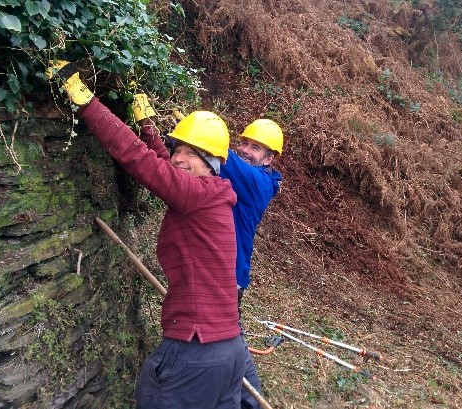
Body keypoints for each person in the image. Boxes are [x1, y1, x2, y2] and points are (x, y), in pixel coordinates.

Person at [47, 61, 245, 408]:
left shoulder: (197, 195)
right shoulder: (210, 194)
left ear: (212, 163)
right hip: (229, 352)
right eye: (177, 149)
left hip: (195, 347)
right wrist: (148, 123)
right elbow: (163, 165)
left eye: (191, 153)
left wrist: (85, 100)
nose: (180, 158)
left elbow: (139, 160)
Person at [220, 119, 284, 409]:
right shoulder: (245, 174)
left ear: (269, 159)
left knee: (228, 350)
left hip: (227, 277)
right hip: (224, 273)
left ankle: (248, 402)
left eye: (255, 147)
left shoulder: (257, 182)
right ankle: (249, 402)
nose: (245, 149)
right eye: (243, 143)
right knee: (231, 346)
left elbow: (219, 154)